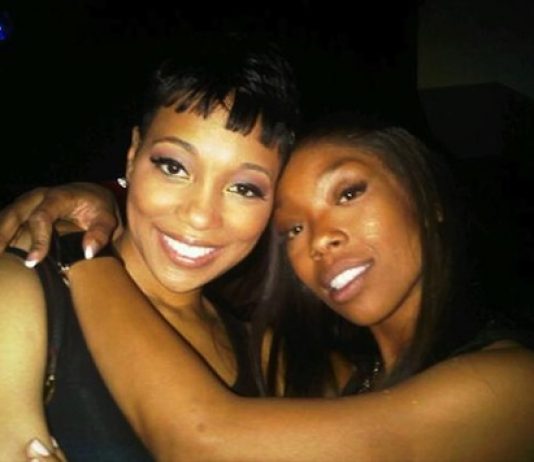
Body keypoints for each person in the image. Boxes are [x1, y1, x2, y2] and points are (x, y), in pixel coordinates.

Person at [3, 114, 534, 461]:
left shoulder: (513, 386)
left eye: (348, 193)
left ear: (429, 199)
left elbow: (205, 441)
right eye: (292, 229)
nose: (320, 239)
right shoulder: (327, 378)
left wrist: (79, 244)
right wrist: (105, 197)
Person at [0, 34, 299, 461]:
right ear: (132, 154)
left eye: (244, 188)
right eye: (174, 167)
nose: (200, 216)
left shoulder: (269, 359)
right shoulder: (25, 288)